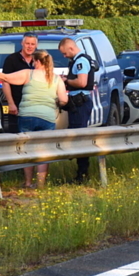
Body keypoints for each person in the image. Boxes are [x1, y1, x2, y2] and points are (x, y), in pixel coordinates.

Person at [0, 51, 67, 188]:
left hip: (27, 116)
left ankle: (28, 182)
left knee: (27, 150)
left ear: (36, 61)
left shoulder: (28, 74)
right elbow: (64, 99)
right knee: (44, 151)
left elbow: (5, 78)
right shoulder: (56, 79)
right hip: (47, 118)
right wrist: (55, 103)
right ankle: (40, 184)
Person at [58, 37, 96, 184]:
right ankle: (80, 174)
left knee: (79, 138)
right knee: (77, 136)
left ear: (71, 48)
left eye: (64, 53)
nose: (64, 56)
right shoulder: (78, 60)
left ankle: (82, 175)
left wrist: (65, 81)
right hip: (77, 103)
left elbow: (81, 82)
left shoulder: (80, 61)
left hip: (80, 103)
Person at [1, 34, 38, 133]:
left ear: (36, 46)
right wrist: (11, 103)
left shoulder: (39, 61)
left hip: (35, 107)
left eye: (32, 44)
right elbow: (5, 82)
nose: (30, 46)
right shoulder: (11, 60)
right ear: (22, 43)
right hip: (17, 106)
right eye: (27, 43)